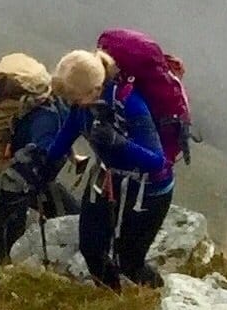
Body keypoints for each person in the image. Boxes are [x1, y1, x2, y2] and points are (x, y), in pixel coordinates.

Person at [52, 47, 174, 288]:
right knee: (91, 248)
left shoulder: (131, 104)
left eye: (75, 99)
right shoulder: (83, 106)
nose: (72, 104)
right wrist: (41, 166)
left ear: (95, 89)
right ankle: (111, 297)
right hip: (109, 179)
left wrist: (119, 143)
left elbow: (157, 161)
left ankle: (160, 298)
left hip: (148, 191)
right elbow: (66, 134)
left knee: (129, 261)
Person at [0, 52, 85, 263]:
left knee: (6, 240)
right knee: (7, 247)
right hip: (13, 181)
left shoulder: (51, 107)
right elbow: (40, 152)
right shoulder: (53, 114)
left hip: (12, 176)